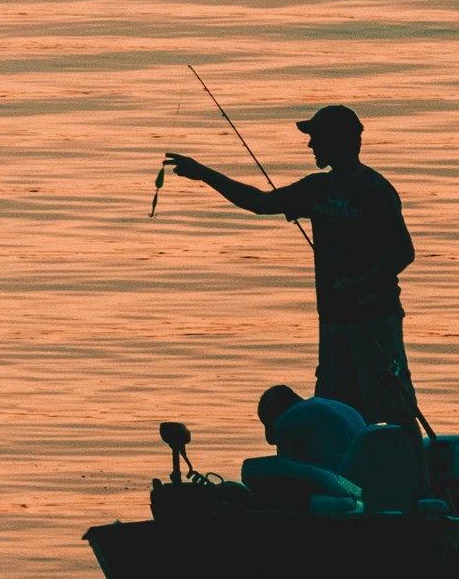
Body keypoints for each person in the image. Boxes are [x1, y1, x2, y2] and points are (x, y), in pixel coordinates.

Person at [165, 105, 423, 429]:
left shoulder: (375, 189)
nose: (310, 145)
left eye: (316, 138)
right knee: (334, 409)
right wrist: (203, 173)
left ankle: (412, 471)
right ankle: (344, 477)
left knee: (391, 403)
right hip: (333, 319)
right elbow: (259, 203)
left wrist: (361, 283)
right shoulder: (316, 188)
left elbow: (404, 252)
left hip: (375, 318)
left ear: (337, 142)